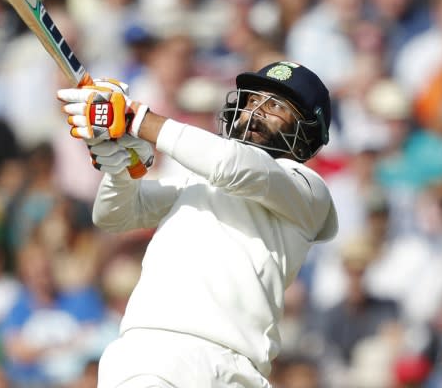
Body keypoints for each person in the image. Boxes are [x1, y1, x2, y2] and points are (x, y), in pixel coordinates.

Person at [56, 61, 338, 387]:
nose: (255, 112)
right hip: (157, 355)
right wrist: (121, 168)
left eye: (274, 105)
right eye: (250, 101)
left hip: (239, 370)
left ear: (307, 130)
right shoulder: (193, 177)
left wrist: (134, 118)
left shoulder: (307, 190)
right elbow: (113, 215)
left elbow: (231, 164)